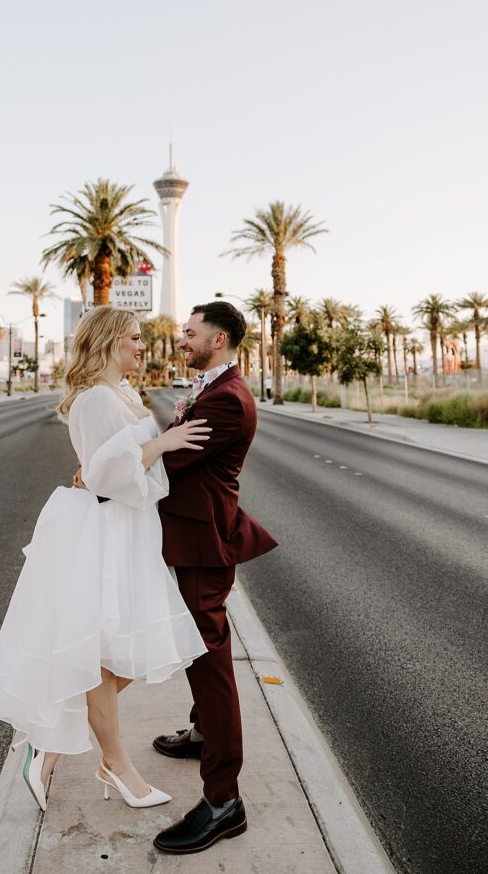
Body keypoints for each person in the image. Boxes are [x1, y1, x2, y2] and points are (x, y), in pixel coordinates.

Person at [0, 306, 208, 811]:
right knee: (107, 653)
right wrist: (163, 441)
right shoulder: (98, 397)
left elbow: (106, 464)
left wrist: (153, 449)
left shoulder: (118, 392)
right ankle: (115, 763)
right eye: (135, 338)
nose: (142, 346)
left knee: (124, 652)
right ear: (108, 342)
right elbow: (103, 474)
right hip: (104, 530)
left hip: (125, 527)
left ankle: (51, 741)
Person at [151, 301, 278, 855]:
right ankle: (203, 730)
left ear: (219, 338)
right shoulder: (214, 388)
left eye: (190, 330)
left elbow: (169, 463)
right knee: (201, 651)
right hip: (196, 533)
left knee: (210, 660)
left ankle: (224, 800)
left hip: (205, 543)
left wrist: (114, 460)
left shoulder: (226, 400)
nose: (182, 337)